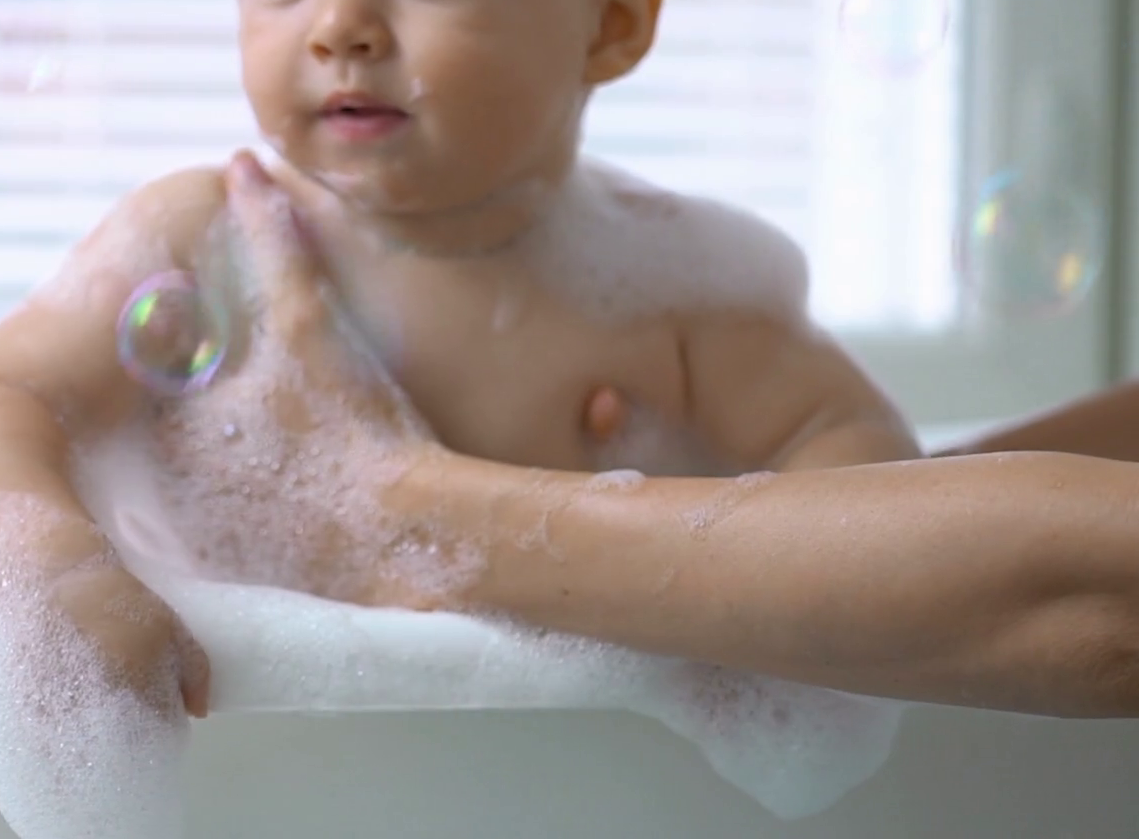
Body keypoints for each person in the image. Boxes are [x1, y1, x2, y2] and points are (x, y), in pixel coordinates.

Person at [0, 0, 929, 723]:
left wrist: (736, 616)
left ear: (611, 18)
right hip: (265, 764)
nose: (338, 25)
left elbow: (864, 484)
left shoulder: (673, 294)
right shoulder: (210, 242)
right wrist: (50, 564)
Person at [215, 155, 1139, 719]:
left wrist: (414, 512)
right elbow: (58, 401)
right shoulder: (225, 224)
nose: (340, 23)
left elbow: (1100, 594)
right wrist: (770, 540)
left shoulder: (669, 290)